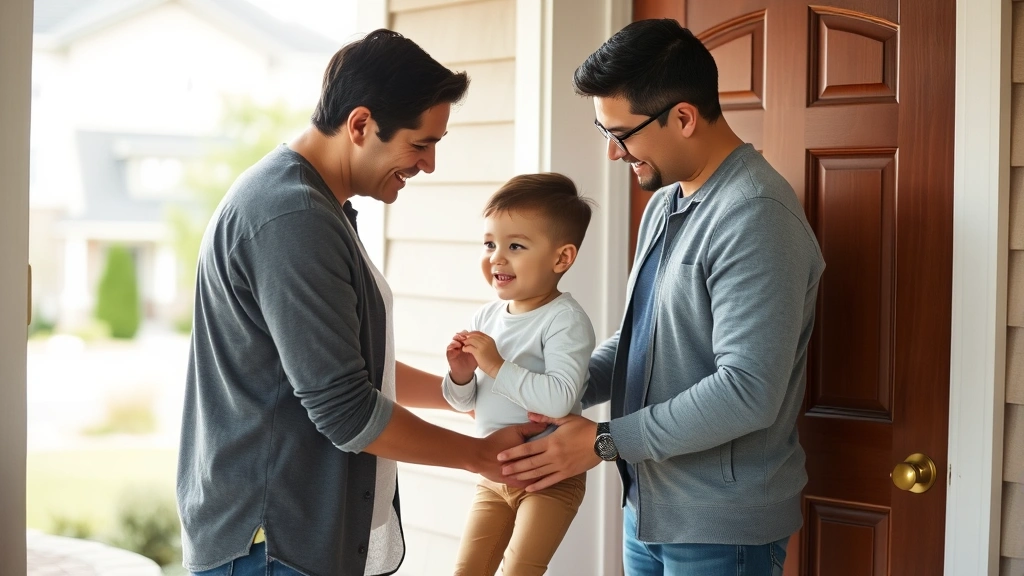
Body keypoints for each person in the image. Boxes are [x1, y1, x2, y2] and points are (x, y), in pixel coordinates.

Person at [176, 29, 545, 576]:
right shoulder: (292, 218)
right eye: (420, 144)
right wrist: (482, 456)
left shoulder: (313, 205)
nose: (430, 165)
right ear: (360, 125)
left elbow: (335, 365)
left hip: (287, 539)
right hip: (270, 542)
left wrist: (465, 397)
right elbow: (345, 409)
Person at [495, 19, 826, 576]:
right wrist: (557, 388)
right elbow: (641, 339)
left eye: (621, 134)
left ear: (683, 117)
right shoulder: (665, 204)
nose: (613, 153)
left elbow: (747, 390)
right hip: (648, 510)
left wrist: (602, 442)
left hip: (720, 530)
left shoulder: (756, 215)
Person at [441, 174, 597, 575]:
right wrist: (460, 376)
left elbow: (560, 398)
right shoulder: (486, 317)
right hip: (494, 474)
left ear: (561, 259)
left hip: (549, 475)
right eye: (490, 244)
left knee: (519, 570)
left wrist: (494, 365)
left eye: (515, 246)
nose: (496, 257)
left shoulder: (565, 320)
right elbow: (466, 404)